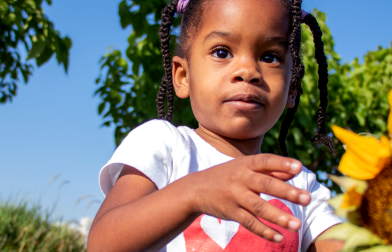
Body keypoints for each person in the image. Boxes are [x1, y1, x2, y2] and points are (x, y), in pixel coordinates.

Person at [88, 0, 343, 251]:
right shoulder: (164, 146)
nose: (247, 71)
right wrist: (194, 194)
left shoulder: (300, 185)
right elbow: (102, 244)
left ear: (292, 88)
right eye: (222, 52)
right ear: (183, 76)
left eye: (270, 56)